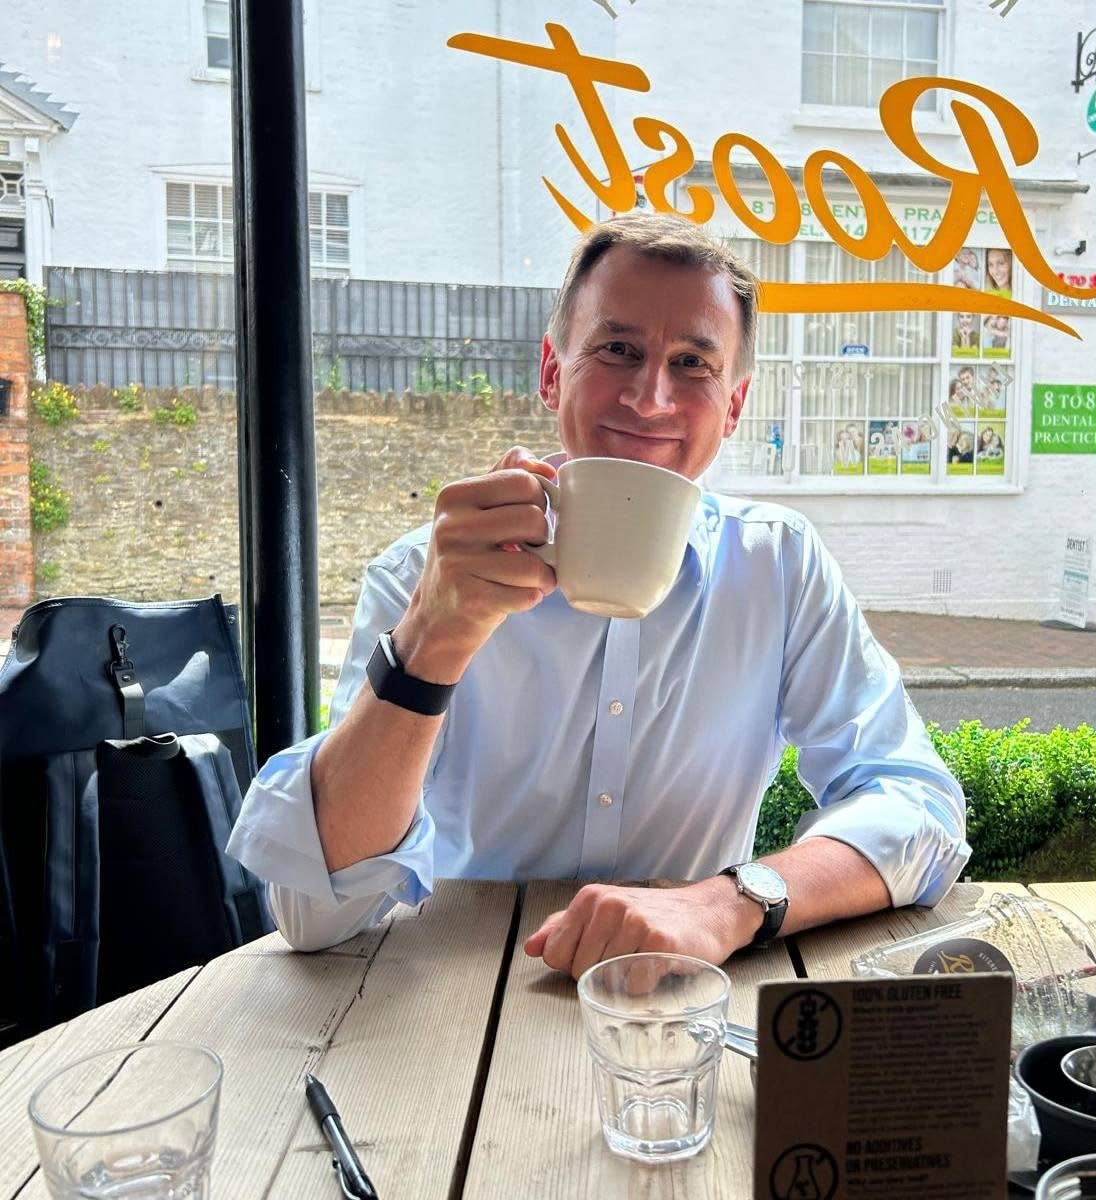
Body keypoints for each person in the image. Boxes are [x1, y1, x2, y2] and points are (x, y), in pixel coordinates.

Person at [228, 213, 968, 976]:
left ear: (734, 408)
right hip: (448, 1003)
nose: (651, 398)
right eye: (618, 350)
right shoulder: (427, 574)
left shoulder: (776, 565)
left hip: (675, 992)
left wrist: (724, 904)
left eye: (692, 363)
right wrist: (431, 640)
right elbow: (314, 912)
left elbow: (919, 807)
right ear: (553, 372)